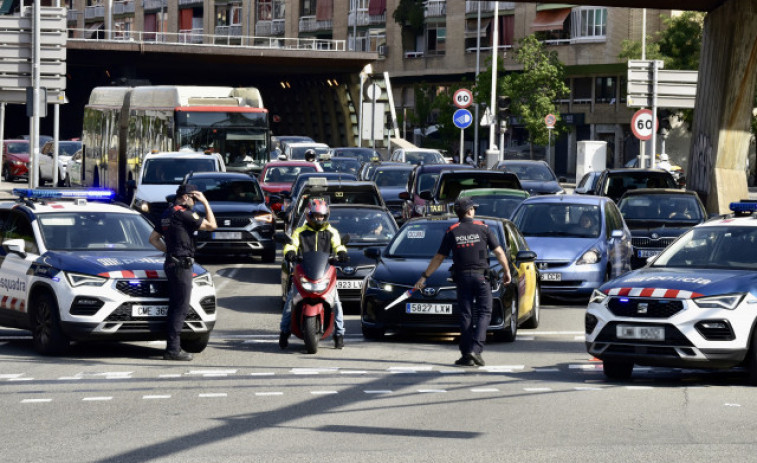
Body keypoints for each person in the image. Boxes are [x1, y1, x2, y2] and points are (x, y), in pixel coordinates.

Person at [414, 197, 512, 367]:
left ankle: (466, 353)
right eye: (473, 208)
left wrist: (424, 277)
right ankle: (475, 350)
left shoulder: (452, 231)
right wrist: (507, 271)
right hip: (482, 278)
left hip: (463, 278)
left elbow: (438, 258)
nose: (474, 210)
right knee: (484, 313)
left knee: (466, 315)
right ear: (469, 211)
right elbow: (499, 252)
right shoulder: (483, 228)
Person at [149, 184, 217, 361]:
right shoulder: (184, 213)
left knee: (175, 306)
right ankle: (173, 350)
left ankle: (173, 346)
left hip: (171, 262)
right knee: (180, 307)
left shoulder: (167, 213)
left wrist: (168, 251)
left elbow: (153, 239)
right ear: (187, 197)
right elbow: (212, 225)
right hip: (181, 265)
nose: (195, 202)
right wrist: (206, 202)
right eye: (194, 199)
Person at [279, 199, 348, 349]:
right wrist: (290, 252)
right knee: (290, 302)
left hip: (324, 274)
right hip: (303, 274)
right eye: (316, 215)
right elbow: (292, 244)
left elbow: (338, 245)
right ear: (309, 215)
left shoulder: (332, 232)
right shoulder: (300, 232)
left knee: (336, 302)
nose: (319, 219)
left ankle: (339, 333)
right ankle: (284, 332)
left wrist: (342, 253)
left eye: (322, 216)